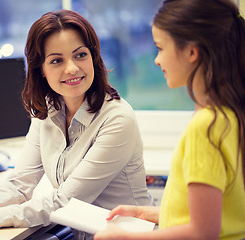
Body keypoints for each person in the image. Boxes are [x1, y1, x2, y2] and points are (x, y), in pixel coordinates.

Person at [0, 9, 152, 239]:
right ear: (42, 71)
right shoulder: (48, 112)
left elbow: (65, 203)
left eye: (80, 55)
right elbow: (20, 185)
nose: (72, 68)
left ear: (94, 57)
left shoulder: (117, 119)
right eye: (57, 60)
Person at [94, 0, 245, 239]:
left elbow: (203, 232)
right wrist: (145, 213)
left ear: (192, 52)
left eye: (161, 48)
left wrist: (124, 237)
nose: (156, 59)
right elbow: (214, 213)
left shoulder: (206, 126)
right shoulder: (230, 114)